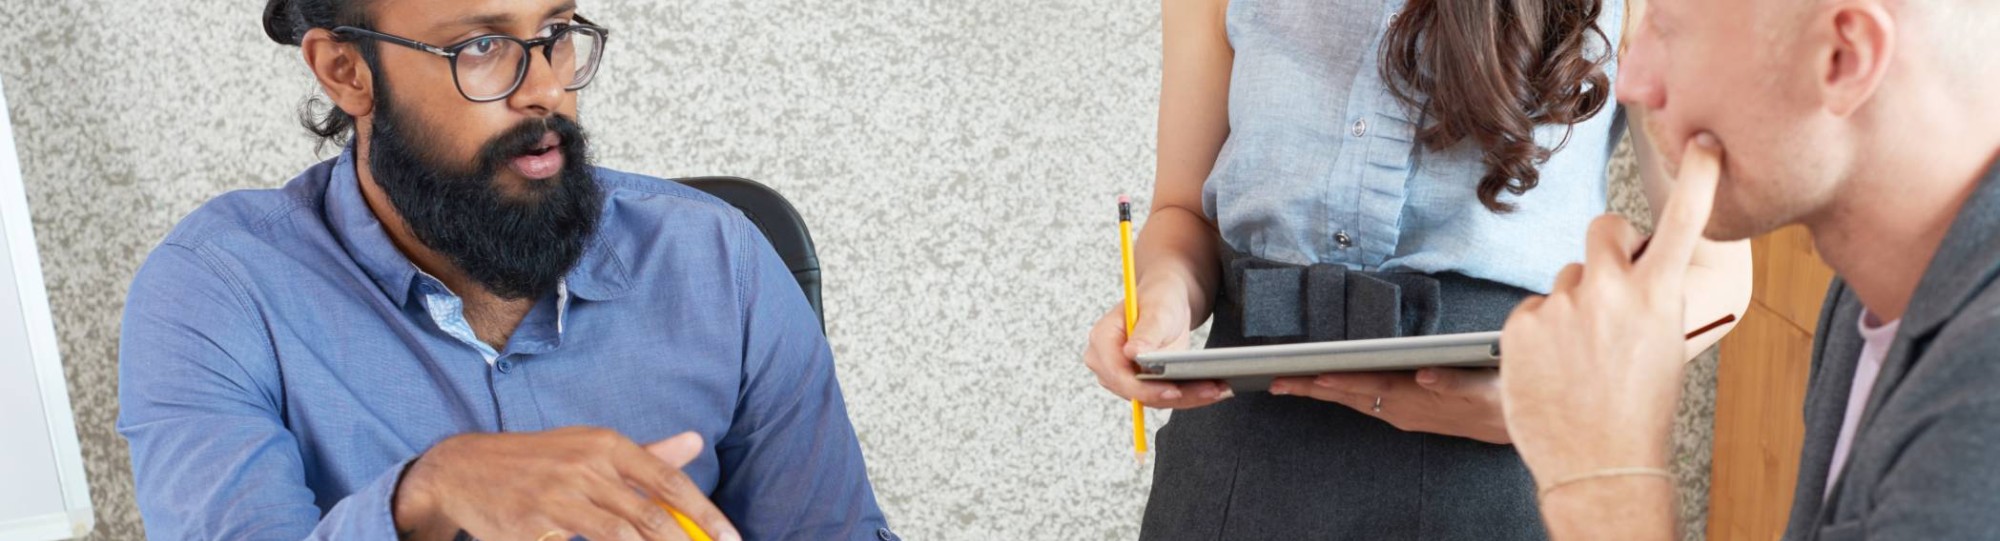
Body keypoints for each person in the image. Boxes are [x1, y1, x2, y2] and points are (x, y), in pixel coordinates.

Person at [115, 1, 896, 540]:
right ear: (346, 71)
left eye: (556, 30)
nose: (547, 87)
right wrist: (425, 492)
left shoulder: (718, 261)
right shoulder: (217, 289)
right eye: (480, 46)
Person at [1080, 0, 1751, 538]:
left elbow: (1715, 272)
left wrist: (1553, 399)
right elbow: (1181, 213)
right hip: (1237, 465)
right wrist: (1161, 302)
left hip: (1496, 477)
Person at [1498, 0, 2000, 538]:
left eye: (1665, 28)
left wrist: (1603, 474)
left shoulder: (1981, 398)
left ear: (1843, 58)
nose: (1631, 84)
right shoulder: (1869, 295)